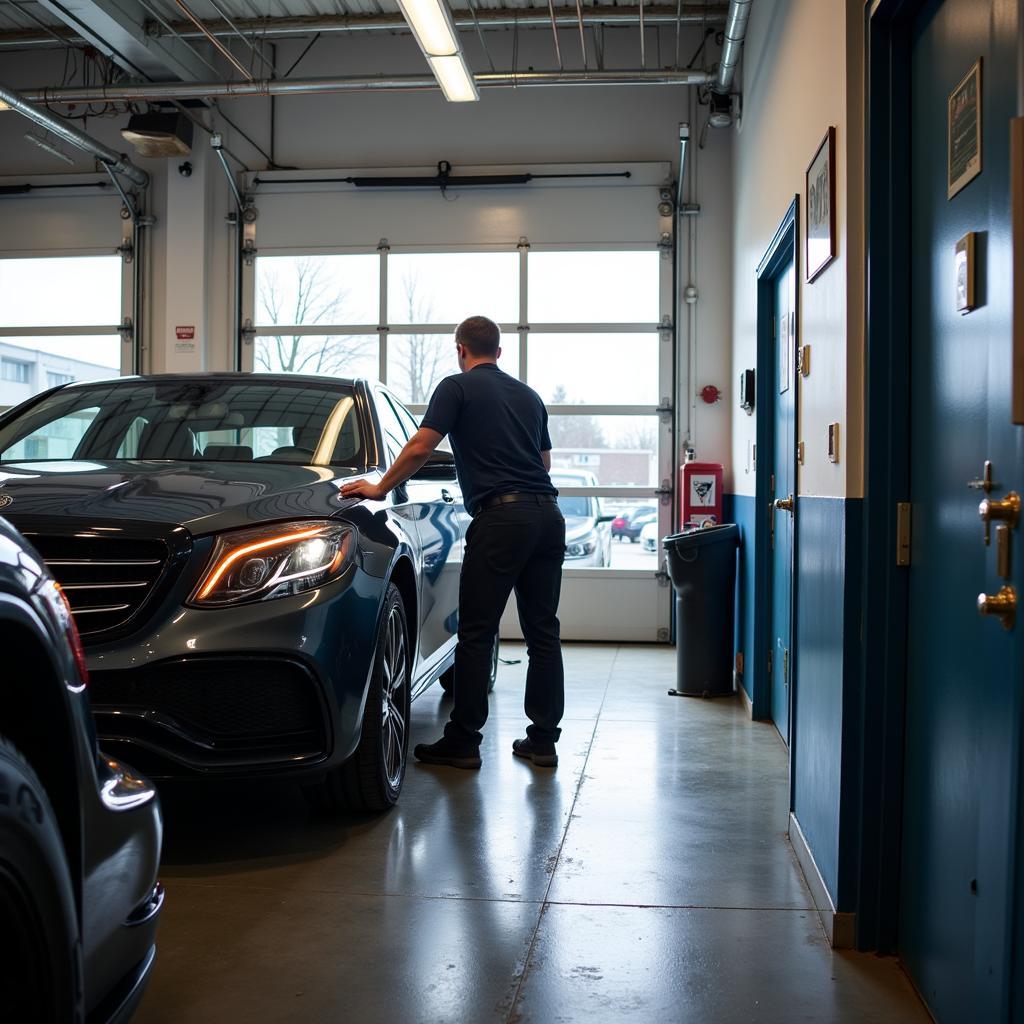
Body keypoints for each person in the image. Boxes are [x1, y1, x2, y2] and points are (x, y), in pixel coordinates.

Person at [341, 315, 566, 770]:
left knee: (477, 631)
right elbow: (542, 462)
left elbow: (422, 446)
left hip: (501, 518)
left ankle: (463, 741)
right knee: (543, 631)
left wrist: (380, 487)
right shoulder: (529, 396)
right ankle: (543, 740)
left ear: (460, 349)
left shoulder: (456, 387)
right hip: (547, 514)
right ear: (499, 352)